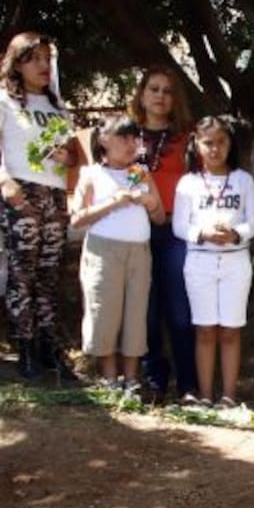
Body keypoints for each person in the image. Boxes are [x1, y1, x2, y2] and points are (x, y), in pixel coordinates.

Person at [0, 33, 81, 379]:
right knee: (22, 273)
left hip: (54, 194)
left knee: (48, 275)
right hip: (21, 190)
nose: (44, 66)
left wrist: (67, 155)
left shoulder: (56, 104)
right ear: (18, 63)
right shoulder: (4, 100)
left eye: (48, 59)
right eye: (35, 59)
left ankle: (49, 348)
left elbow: (75, 154)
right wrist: (5, 182)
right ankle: (26, 347)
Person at [71, 116, 166, 396]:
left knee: (136, 314)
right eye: (123, 137)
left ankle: (131, 379)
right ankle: (110, 379)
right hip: (104, 250)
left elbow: (160, 216)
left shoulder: (142, 172)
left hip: (139, 252)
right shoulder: (91, 174)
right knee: (105, 312)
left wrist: (148, 202)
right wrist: (113, 203)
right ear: (104, 140)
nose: (130, 144)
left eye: (134, 138)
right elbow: (77, 219)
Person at [172, 116, 254, 408]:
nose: (215, 148)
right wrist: (202, 234)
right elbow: (179, 226)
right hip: (200, 262)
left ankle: (229, 395)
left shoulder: (243, 180)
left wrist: (236, 234)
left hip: (235, 262)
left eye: (221, 141)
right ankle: (206, 394)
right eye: (208, 142)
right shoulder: (188, 183)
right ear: (196, 144)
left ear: (230, 143)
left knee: (231, 330)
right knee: (206, 330)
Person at [128, 66, 196, 403]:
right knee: (146, 312)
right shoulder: (126, 137)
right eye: (153, 89)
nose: (160, 96)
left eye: (167, 91)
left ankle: (188, 385)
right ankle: (154, 379)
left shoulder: (188, 137)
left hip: (175, 231)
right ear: (141, 94)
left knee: (180, 312)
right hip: (136, 232)